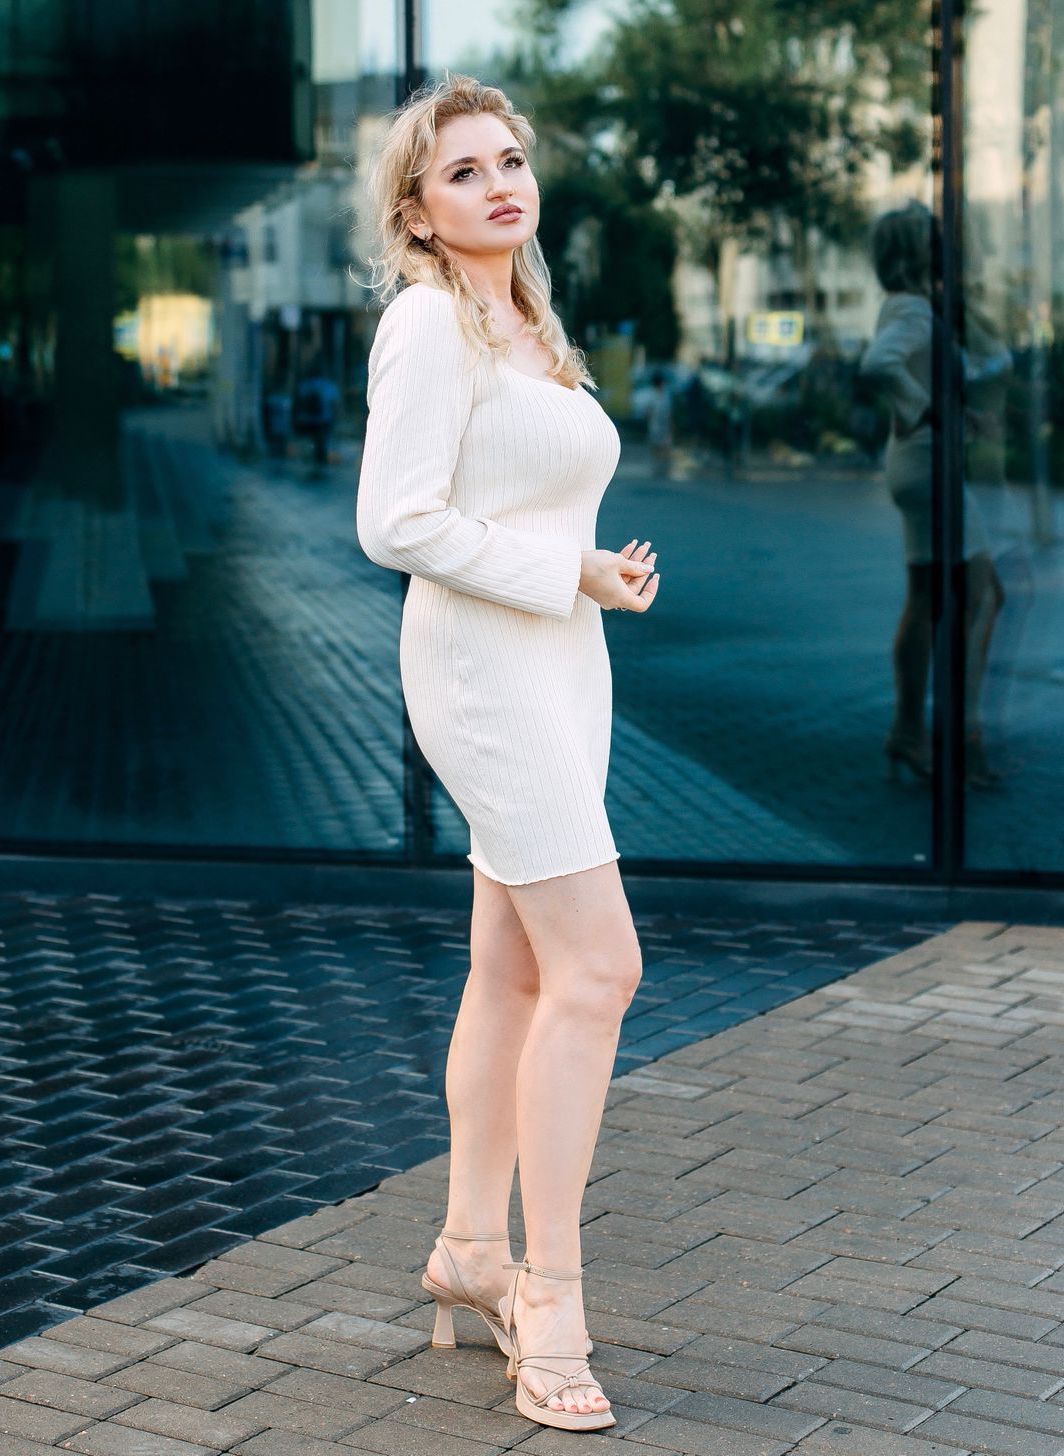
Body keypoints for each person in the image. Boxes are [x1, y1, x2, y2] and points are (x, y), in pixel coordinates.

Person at [355, 73, 660, 1433]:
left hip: (562, 667)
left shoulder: (525, 319)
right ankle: (550, 1296)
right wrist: (562, 569)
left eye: (511, 161)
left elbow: (518, 500)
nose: (499, 185)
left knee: (517, 967)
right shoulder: (428, 320)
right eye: (464, 171)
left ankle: (471, 1248)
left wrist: (588, 573)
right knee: (600, 966)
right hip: (483, 675)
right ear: (419, 212)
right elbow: (393, 520)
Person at [859, 201, 1005, 787]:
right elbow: (880, 363)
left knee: (932, 597)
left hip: (919, 462)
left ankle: (912, 731)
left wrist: (948, 408)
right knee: (980, 596)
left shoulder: (916, 307)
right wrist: (925, 410)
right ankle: (958, 733)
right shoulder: (914, 310)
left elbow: (973, 365)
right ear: (919, 252)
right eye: (934, 240)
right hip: (927, 464)